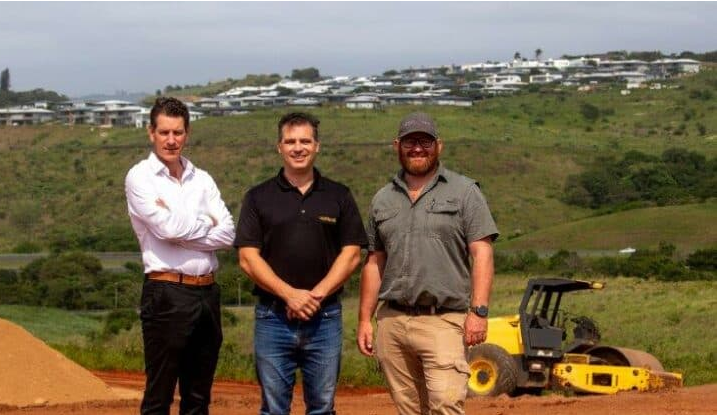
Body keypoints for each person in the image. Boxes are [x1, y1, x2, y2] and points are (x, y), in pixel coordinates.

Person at [356, 112, 498, 415]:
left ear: (439, 146)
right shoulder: (382, 199)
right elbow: (374, 263)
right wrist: (365, 320)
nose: (417, 148)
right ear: (397, 145)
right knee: (409, 409)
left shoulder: (464, 192)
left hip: (444, 321)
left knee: (446, 405)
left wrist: (479, 312)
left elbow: (482, 253)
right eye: (410, 142)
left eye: (425, 141)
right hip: (392, 322)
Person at [235, 112, 367, 415]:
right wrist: (289, 294)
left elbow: (352, 254)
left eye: (305, 141)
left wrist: (314, 296)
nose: (298, 147)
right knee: (273, 409)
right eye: (290, 141)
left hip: (325, 317)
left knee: (322, 407)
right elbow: (247, 258)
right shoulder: (258, 197)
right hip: (273, 317)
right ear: (279, 147)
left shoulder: (339, 195)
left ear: (317, 146)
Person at [125, 97, 235, 415]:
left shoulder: (202, 179)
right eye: (164, 133)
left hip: (207, 293)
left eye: (178, 132)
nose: (171, 140)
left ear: (187, 133)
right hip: (166, 292)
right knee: (159, 396)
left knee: (198, 397)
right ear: (151, 133)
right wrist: (203, 227)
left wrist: (181, 231)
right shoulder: (140, 177)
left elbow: (227, 234)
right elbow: (165, 229)